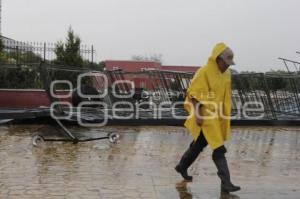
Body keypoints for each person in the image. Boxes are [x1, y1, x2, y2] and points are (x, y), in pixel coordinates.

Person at [175, 42, 241, 193]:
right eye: (226, 62)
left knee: (198, 145)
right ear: (218, 59)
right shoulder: (204, 72)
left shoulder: (227, 74)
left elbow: (225, 95)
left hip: (217, 116)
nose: (228, 66)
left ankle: (181, 166)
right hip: (205, 116)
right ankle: (226, 183)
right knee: (218, 148)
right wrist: (198, 114)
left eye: (230, 63)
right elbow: (193, 94)